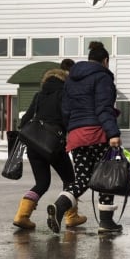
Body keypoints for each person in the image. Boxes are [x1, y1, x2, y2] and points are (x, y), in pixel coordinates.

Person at [47, 41, 123, 234]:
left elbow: (65, 110)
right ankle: (106, 223)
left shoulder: (72, 79)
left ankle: (60, 206)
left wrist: (71, 131)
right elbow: (103, 107)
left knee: (81, 177)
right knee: (106, 177)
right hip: (97, 133)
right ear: (105, 61)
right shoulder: (103, 77)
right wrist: (112, 133)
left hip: (76, 135)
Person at [12, 67, 86, 230]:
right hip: (53, 145)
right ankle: (71, 217)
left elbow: (24, 121)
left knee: (42, 183)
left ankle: (22, 216)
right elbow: (69, 119)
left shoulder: (38, 96)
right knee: (70, 181)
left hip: (34, 145)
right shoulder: (64, 96)